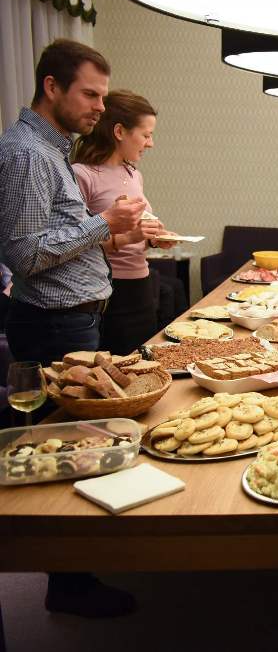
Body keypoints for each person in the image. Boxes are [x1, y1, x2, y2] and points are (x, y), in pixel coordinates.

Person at [0, 38, 142, 617]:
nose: (100, 108)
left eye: (103, 97)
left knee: (78, 445)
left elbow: (59, 237)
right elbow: (25, 253)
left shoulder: (51, 149)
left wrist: (109, 232)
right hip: (54, 324)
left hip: (74, 317)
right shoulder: (27, 154)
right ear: (52, 87)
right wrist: (103, 222)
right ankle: (69, 583)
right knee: (62, 450)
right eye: (90, 95)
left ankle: (77, 569)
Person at [71, 90, 174, 355]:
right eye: (146, 135)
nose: (150, 143)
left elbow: (136, 230)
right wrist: (130, 237)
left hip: (141, 285)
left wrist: (154, 237)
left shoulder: (133, 174)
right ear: (119, 132)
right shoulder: (82, 175)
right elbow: (74, 244)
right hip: (109, 292)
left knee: (144, 363)